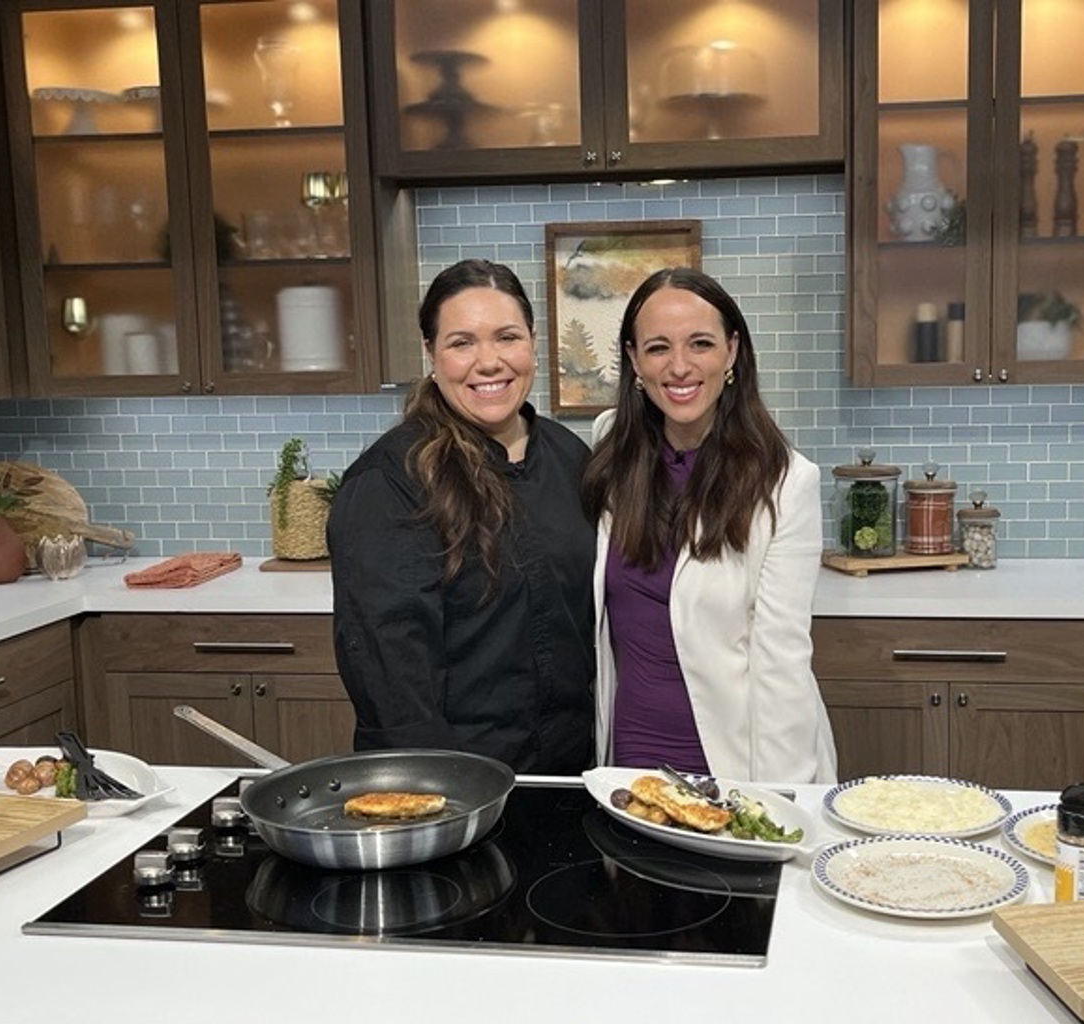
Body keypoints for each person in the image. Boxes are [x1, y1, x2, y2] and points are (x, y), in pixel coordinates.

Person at [329, 259, 595, 774]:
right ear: (431, 354)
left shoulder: (570, 459)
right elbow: (391, 671)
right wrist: (438, 793)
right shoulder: (391, 481)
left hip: (570, 777)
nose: (489, 361)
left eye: (507, 337)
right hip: (455, 786)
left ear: (533, 344)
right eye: (462, 342)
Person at [581, 266, 837, 783]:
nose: (679, 367)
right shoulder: (611, 448)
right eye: (657, 348)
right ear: (633, 360)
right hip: (626, 765)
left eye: (700, 343)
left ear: (732, 352)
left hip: (732, 768)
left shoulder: (786, 484)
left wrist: (776, 806)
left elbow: (781, 663)